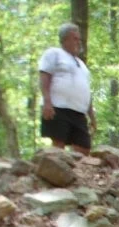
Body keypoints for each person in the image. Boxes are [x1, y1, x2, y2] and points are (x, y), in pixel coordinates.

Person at [39, 22, 96, 155]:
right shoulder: (54, 53)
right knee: (59, 146)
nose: (78, 42)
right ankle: (55, 172)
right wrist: (47, 102)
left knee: (84, 148)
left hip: (79, 112)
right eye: (75, 38)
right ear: (65, 39)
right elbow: (44, 76)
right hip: (58, 107)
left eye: (79, 39)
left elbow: (85, 89)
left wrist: (92, 116)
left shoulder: (81, 64)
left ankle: (77, 173)